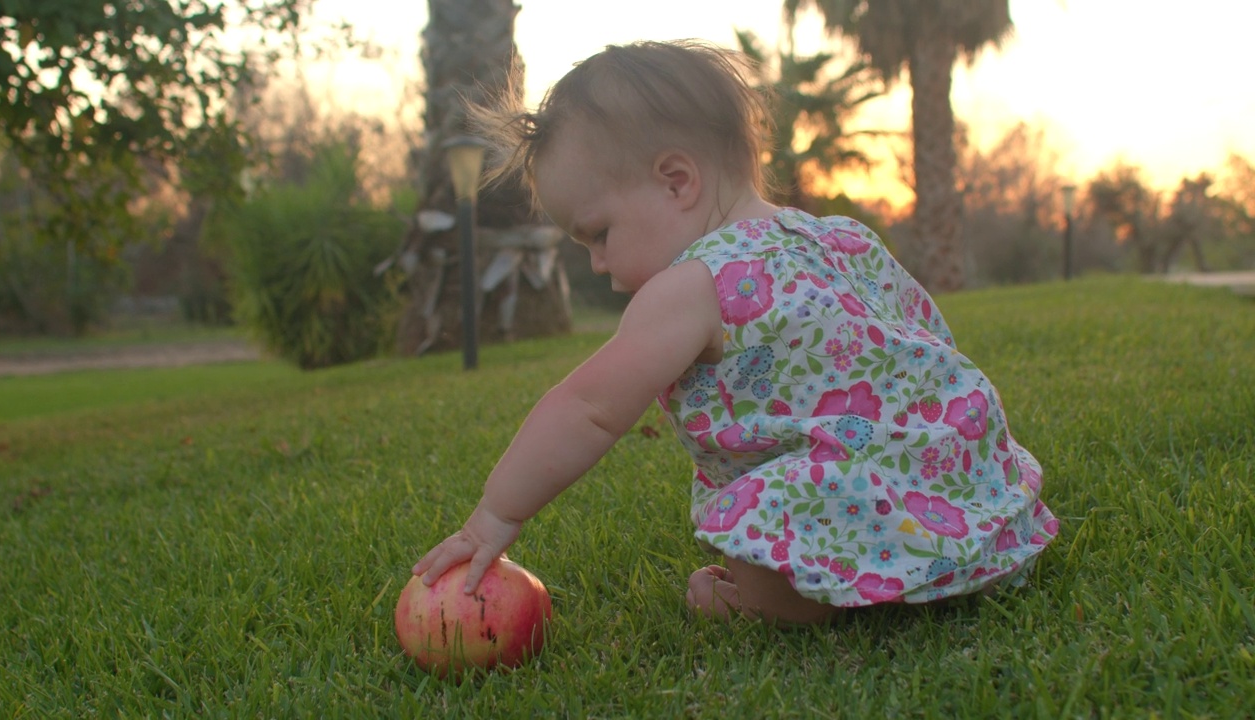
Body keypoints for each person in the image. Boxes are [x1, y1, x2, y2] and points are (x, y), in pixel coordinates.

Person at [412, 39, 1058, 625]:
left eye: (599, 234)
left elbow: (586, 408)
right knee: (813, 470)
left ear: (676, 182)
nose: (599, 264)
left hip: (853, 488)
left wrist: (497, 513)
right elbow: (923, 335)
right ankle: (950, 562)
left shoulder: (694, 284)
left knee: (765, 501)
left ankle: (776, 605)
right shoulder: (837, 236)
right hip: (954, 471)